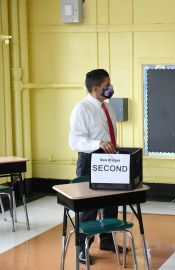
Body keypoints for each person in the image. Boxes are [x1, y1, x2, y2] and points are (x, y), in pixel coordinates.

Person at [69, 69, 127, 264]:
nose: (110, 88)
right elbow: (75, 140)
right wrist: (98, 144)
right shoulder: (82, 108)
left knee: (111, 203)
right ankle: (82, 248)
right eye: (106, 86)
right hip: (90, 159)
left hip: (108, 160)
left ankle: (107, 241)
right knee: (89, 208)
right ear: (95, 88)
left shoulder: (107, 107)